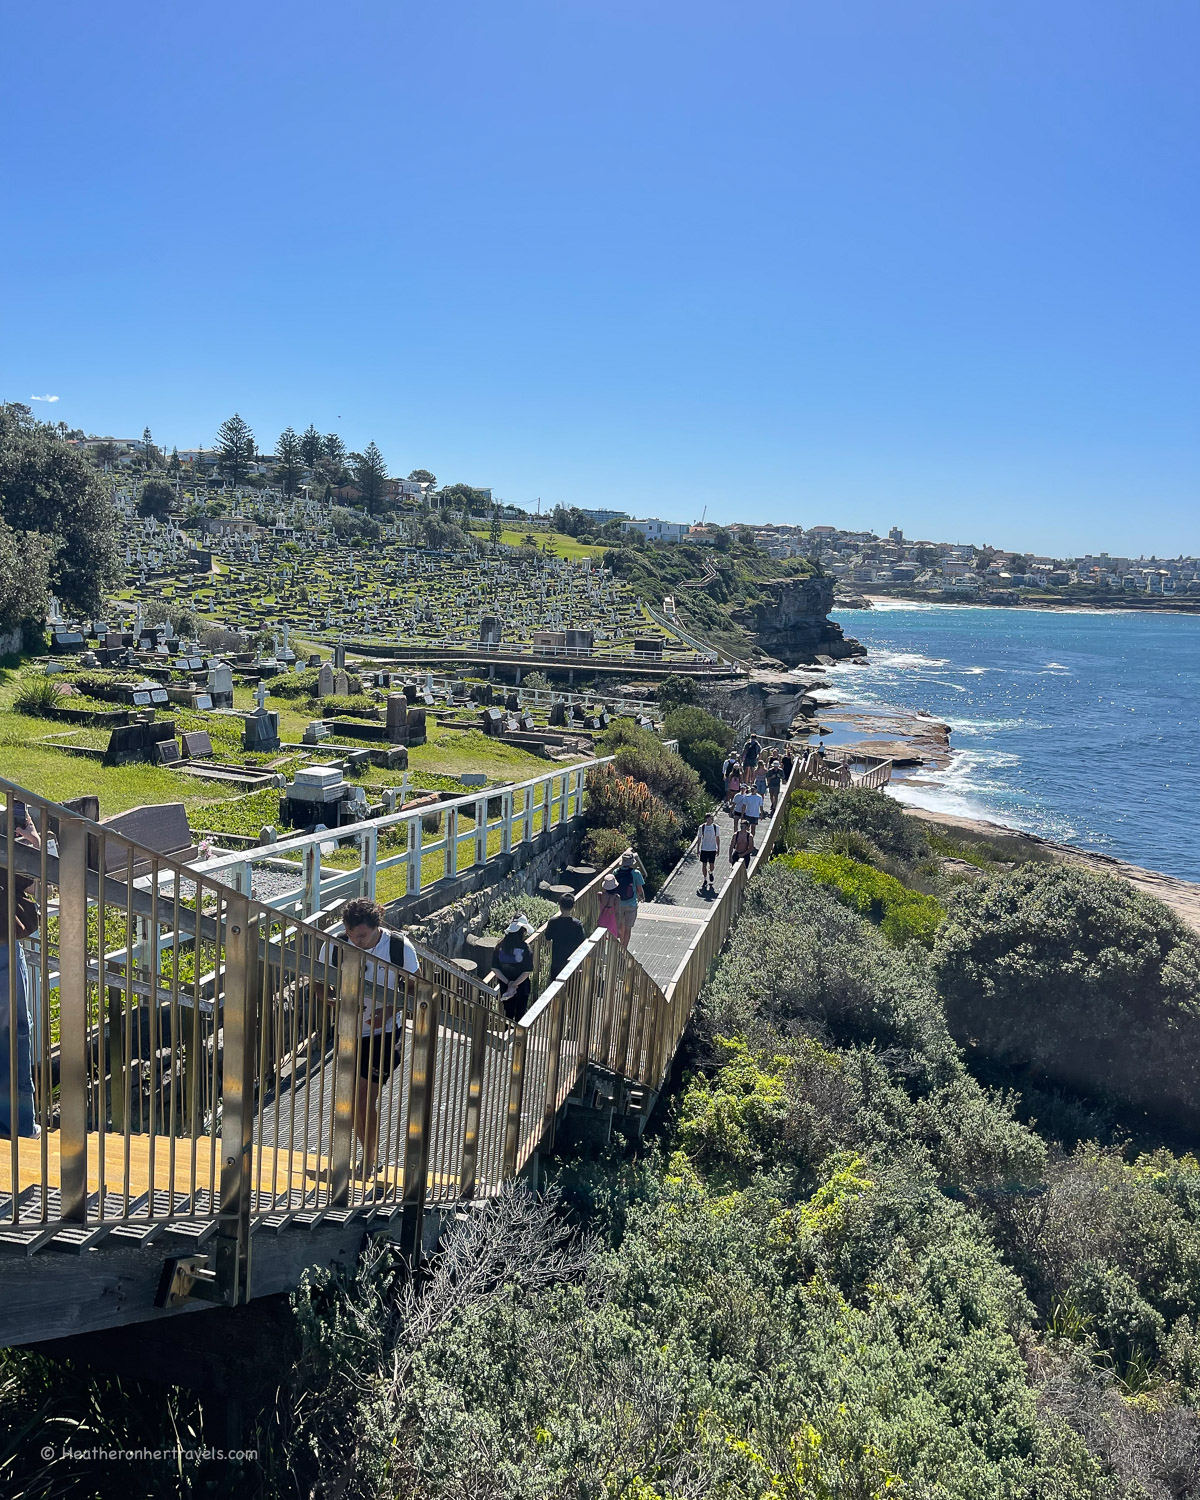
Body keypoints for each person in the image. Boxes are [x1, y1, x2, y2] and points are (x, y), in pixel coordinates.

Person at [318, 897, 419, 1174]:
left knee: (362, 1099)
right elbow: (317, 982)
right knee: (352, 1103)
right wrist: (332, 1001)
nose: (355, 941)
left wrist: (389, 1010)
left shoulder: (398, 948)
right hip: (349, 1031)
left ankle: (369, 1161)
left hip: (385, 1033)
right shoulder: (336, 945)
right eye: (350, 934)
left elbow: (417, 989)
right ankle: (370, 1156)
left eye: (361, 936)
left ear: (377, 925)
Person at [1, 803, 41, 1140]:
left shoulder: (7, 813)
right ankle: (18, 1128)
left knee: (14, 1032)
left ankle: (18, 1126)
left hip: (2, 940)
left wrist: (32, 844)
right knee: (13, 1032)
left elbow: (32, 881)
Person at [490, 916, 536, 1022]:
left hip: (505, 986)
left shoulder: (499, 947)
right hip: (522, 986)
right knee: (520, 1015)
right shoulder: (525, 948)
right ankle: (518, 1033)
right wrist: (515, 984)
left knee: (507, 1014)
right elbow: (527, 971)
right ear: (522, 931)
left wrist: (508, 983)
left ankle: (506, 1031)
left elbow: (495, 968)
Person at [545, 893, 586, 981]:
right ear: (573, 907)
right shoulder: (577, 924)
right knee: (571, 985)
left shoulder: (552, 922)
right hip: (572, 962)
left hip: (557, 961)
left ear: (560, 907)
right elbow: (582, 943)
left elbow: (548, 940)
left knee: (555, 984)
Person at [614, 850, 644, 947]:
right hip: (631, 904)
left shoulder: (616, 872)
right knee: (628, 928)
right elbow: (640, 890)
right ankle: (624, 948)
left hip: (619, 903)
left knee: (620, 926)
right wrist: (642, 897)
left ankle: (620, 945)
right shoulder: (636, 873)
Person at [698, 812, 721, 893]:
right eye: (707, 818)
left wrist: (718, 848)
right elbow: (699, 838)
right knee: (704, 864)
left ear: (712, 819)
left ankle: (710, 872)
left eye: (710, 818)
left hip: (712, 849)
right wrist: (698, 849)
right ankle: (705, 879)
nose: (708, 820)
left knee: (712, 865)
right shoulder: (702, 827)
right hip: (704, 848)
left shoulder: (716, 827)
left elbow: (717, 838)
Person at [597, 875, 621, 940]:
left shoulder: (600, 895)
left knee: (601, 939)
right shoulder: (616, 897)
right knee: (612, 939)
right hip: (612, 921)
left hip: (601, 920)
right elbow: (617, 913)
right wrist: (618, 927)